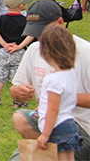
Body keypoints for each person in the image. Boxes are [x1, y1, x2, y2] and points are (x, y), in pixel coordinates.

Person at [8, 0, 90, 161]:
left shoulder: (85, 52)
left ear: (60, 23)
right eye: (35, 33)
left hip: (83, 127)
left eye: (43, 32)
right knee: (20, 118)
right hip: (49, 122)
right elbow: (15, 91)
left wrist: (58, 100)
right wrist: (17, 92)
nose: (39, 38)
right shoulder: (34, 50)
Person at [36, 23, 83, 160]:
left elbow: (53, 110)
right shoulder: (71, 73)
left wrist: (45, 134)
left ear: (47, 52)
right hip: (70, 124)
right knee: (69, 158)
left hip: (57, 127)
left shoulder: (53, 80)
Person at [0, 0, 35, 107]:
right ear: (21, 6)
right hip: (18, 52)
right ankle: (17, 101)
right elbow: (30, 35)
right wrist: (19, 46)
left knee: (1, 72)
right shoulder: (25, 20)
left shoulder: (2, 18)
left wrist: (4, 44)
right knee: (17, 76)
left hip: (3, 51)